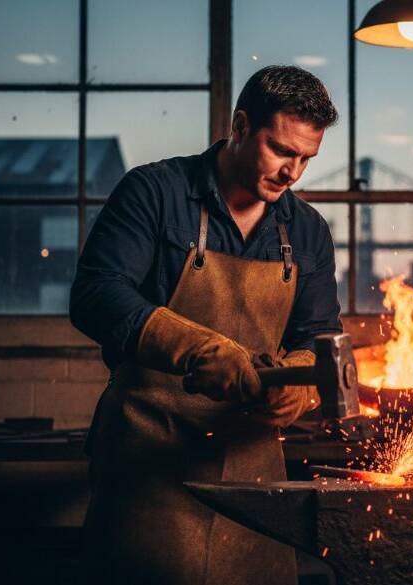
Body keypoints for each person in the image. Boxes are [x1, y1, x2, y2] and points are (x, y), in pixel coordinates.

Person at [70, 65, 342, 585]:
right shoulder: (154, 192)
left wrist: (298, 390)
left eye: (307, 159)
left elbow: (317, 338)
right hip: (148, 453)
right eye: (281, 151)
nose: (293, 174)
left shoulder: (306, 231)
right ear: (240, 126)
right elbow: (95, 294)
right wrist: (197, 348)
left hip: (251, 462)